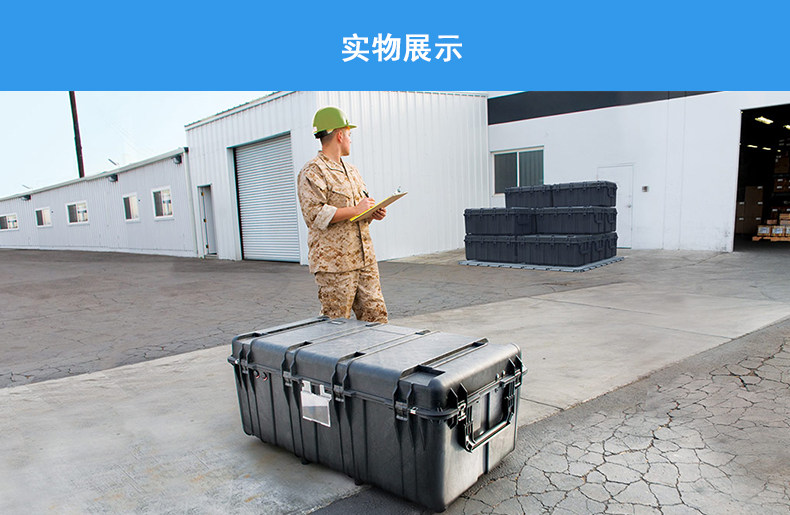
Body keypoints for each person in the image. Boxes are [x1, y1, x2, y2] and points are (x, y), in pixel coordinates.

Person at [296, 107, 388, 323]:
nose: (350, 140)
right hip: (335, 266)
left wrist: (371, 213)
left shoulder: (352, 171)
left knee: (377, 319)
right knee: (336, 325)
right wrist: (356, 210)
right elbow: (314, 215)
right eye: (349, 134)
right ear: (339, 135)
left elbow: (357, 212)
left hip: (364, 260)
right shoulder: (313, 171)